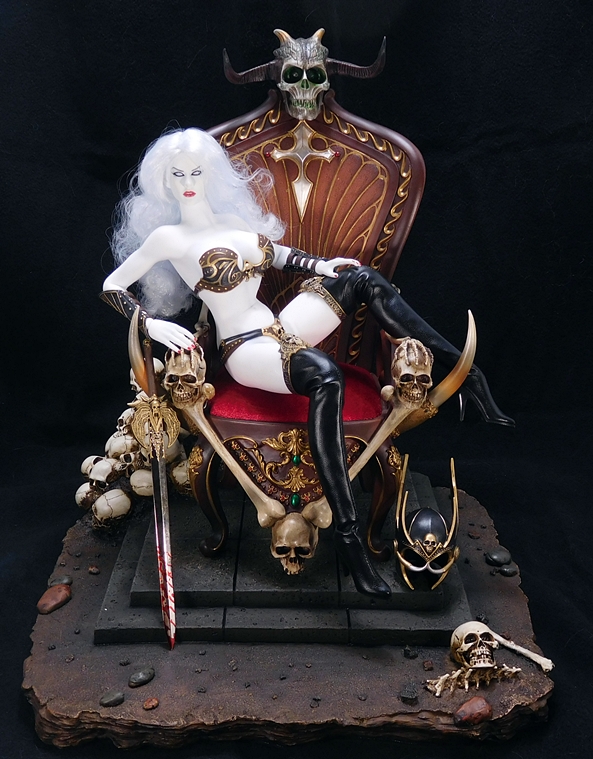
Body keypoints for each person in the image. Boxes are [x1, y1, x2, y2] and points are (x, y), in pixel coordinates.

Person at [102, 128, 512, 600]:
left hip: (281, 326)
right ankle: (349, 537)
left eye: (196, 172)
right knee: (326, 375)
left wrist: (324, 267)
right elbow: (112, 286)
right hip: (244, 350)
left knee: (362, 279)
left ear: (211, 175)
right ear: (163, 182)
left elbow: (282, 256)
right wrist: (152, 325)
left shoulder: (231, 223)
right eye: (177, 175)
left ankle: (465, 372)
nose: (188, 182)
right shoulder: (168, 238)